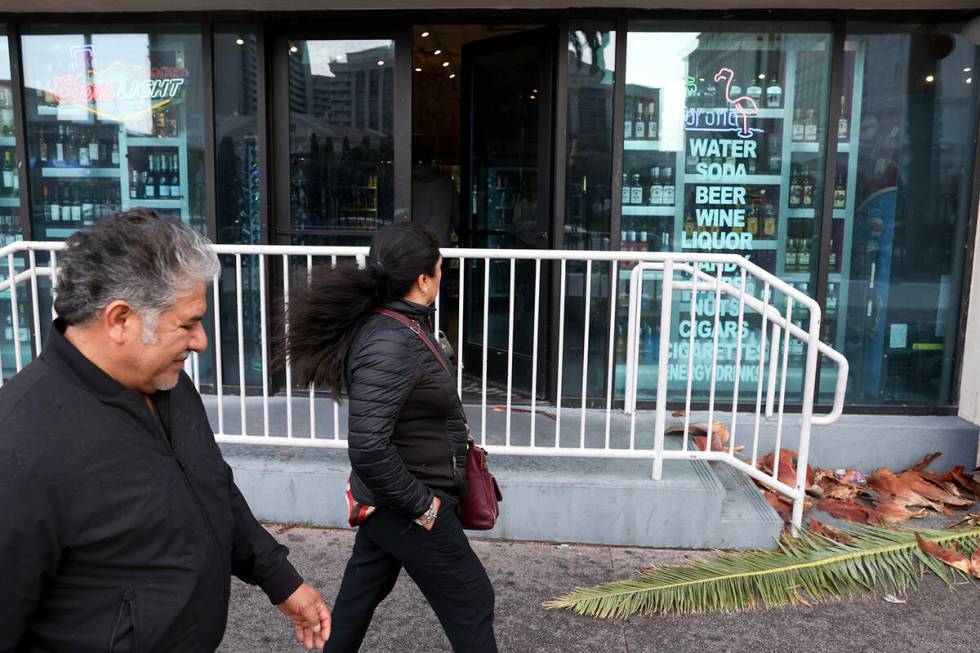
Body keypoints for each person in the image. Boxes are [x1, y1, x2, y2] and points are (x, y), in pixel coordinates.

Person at [0, 210, 331, 652]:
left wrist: (282, 580)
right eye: (188, 323)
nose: (202, 341)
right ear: (120, 320)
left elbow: (212, 486)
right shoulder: (19, 444)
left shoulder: (168, 383)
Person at [283, 222, 496, 652]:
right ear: (422, 280)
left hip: (393, 502)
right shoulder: (390, 341)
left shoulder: (402, 327)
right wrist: (425, 508)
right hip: (407, 503)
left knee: (358, 601)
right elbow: (368, 447)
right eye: (439, 270)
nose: (441, 278)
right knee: (472, 597)